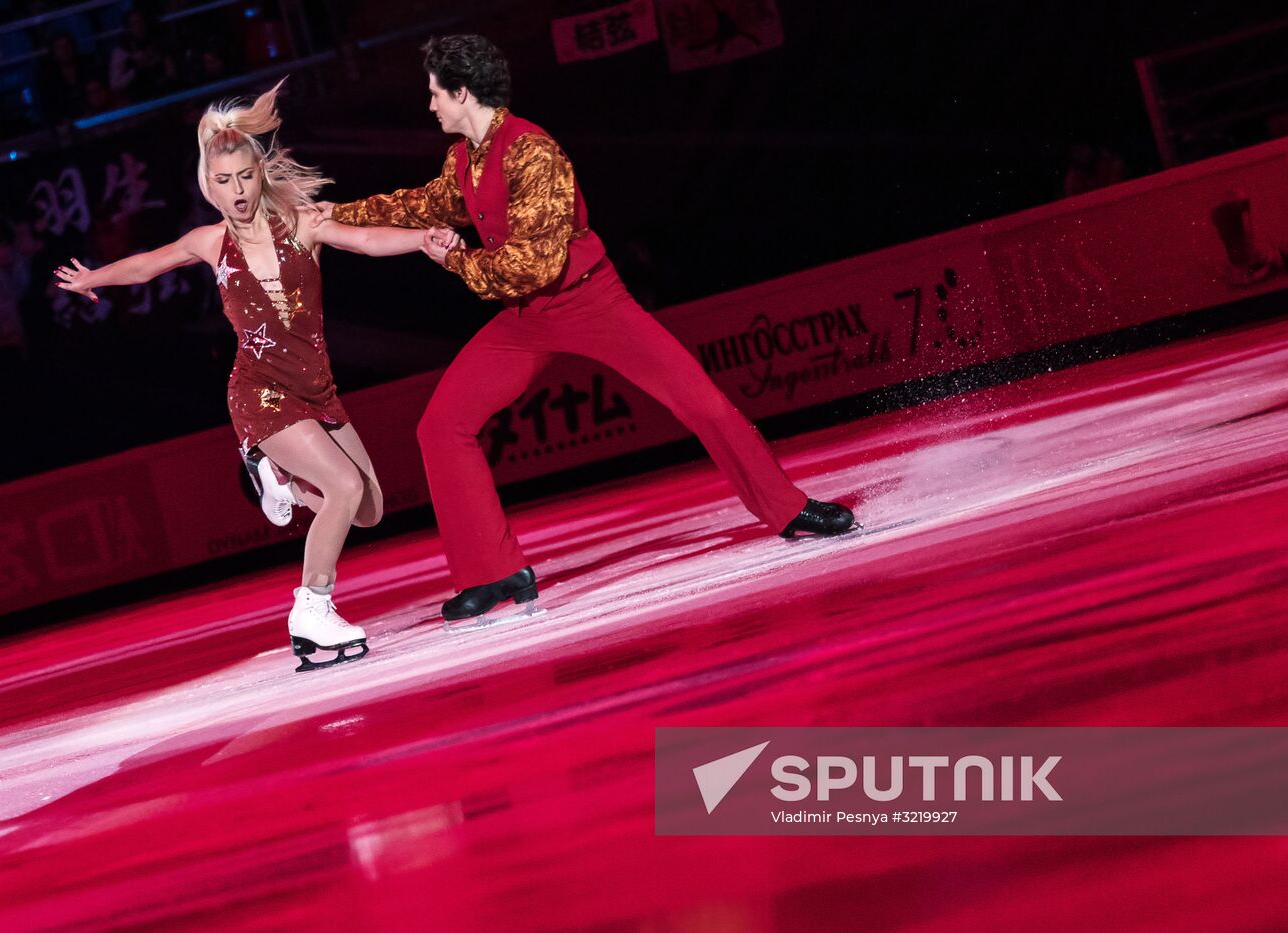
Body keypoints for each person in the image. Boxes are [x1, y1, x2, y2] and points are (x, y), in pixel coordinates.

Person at [319, 35, 857, 625]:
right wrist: (333, 215)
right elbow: (423, 205)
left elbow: (534, 264)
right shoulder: (463, 159)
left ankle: (789, 509)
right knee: (440, 426)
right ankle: (493, 573)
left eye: (434, 94)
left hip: (589, 300)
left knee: (699, 402)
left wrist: (454, 261)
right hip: (528, 317)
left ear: (462, 92)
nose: (430, 107)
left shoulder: (533, 152)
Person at [56, 80, 457, 671]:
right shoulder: (209, 241)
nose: (237, 190)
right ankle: (312, 608)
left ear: (258, 174)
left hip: (317, 387)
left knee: (368, 506)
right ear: (208, 187)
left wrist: (422, 240)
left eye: (245, 176)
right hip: (260, 393)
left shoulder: (301, 223)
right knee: (343, 489)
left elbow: (366, 239)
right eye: (224, 182)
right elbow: (146, 265)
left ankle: (280, 482)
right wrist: (93, 279)